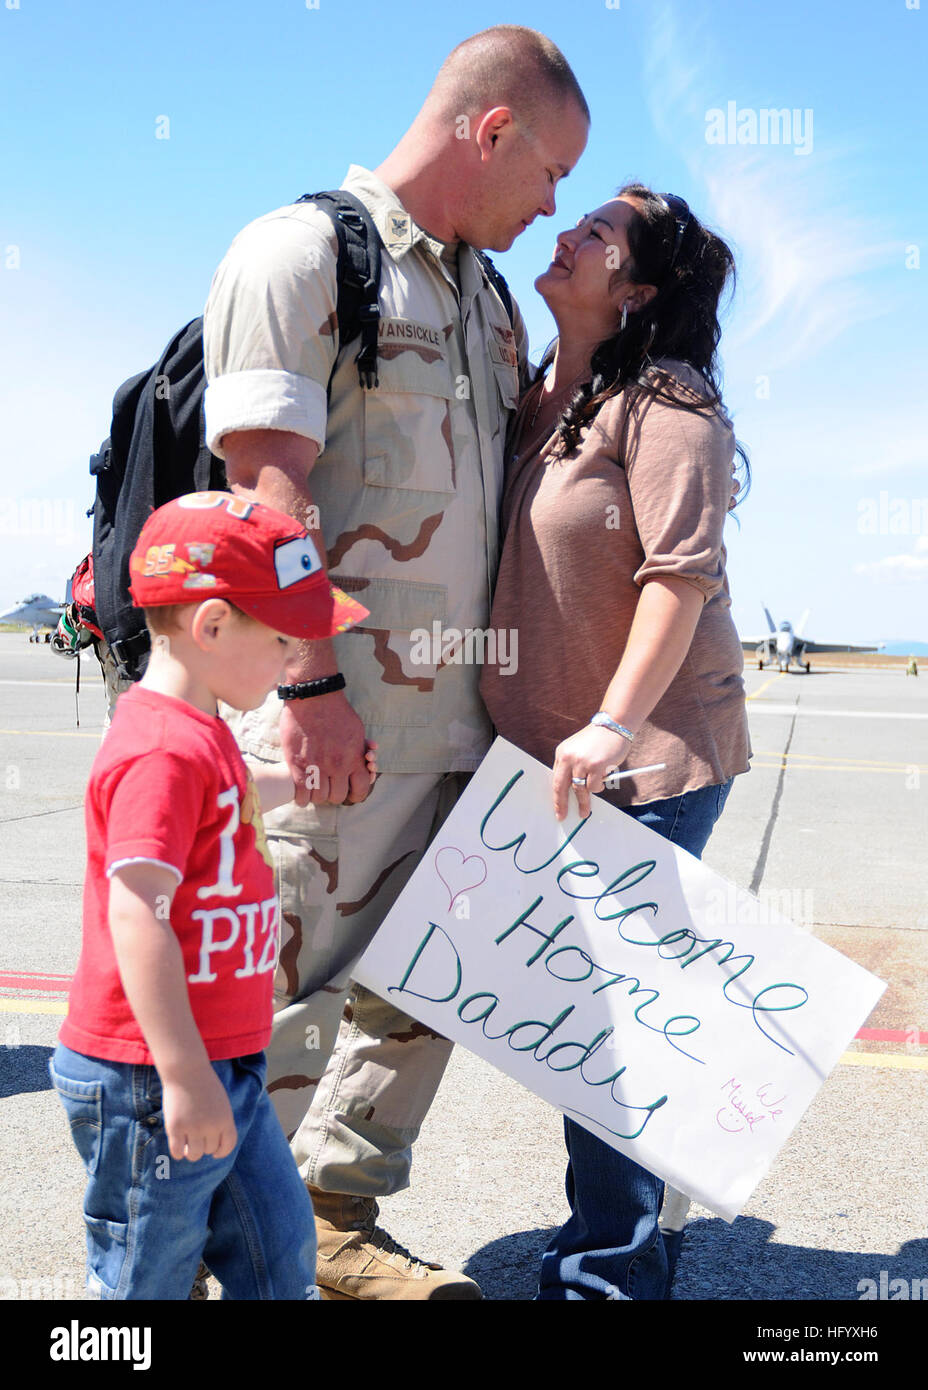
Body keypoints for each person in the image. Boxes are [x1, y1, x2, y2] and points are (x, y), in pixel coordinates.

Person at [201, 26, 589, 1299]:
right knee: (278, 988)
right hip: (334, 715)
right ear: (491, 131)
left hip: (462, 725)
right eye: (548, 176)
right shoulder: (306, 255)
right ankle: (219, 1242)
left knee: (428, 989)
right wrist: (310, 686)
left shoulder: (480, 297)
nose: (553, 209)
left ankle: (336, 1217)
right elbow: (268, 495)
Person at [480, 184, 752, 1300]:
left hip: (642, 765)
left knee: (609, 1033)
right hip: (545, 770)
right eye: (575, 218)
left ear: (635, 287)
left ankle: (607, 1274)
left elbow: (678, 578)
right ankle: (619, 1234)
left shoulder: (665, 402)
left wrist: (608, 721)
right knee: (576, 1020)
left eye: (600, 232)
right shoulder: (538, 393)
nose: (569, 233)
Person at [49, 492, 374, 1299]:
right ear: (214, 626)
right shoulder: (158, 750)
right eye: (283, 636)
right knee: (144, 1277)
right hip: (153, 1079)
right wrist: (185, 1074)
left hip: (224, 1060)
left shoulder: (201, 735)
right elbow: (138, 914)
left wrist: (307, 787)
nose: (294, 652)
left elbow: (234, 789)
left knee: (278, 1251)